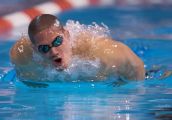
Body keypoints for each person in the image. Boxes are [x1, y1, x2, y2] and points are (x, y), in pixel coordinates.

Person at [10, 14, 145, 85]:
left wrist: (127, 89)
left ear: (67, 35)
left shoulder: (100, 52)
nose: (54, 52)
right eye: (44, 48)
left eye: (57, 41)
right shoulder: (21, 56)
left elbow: (137, 66)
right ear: (35, 49)